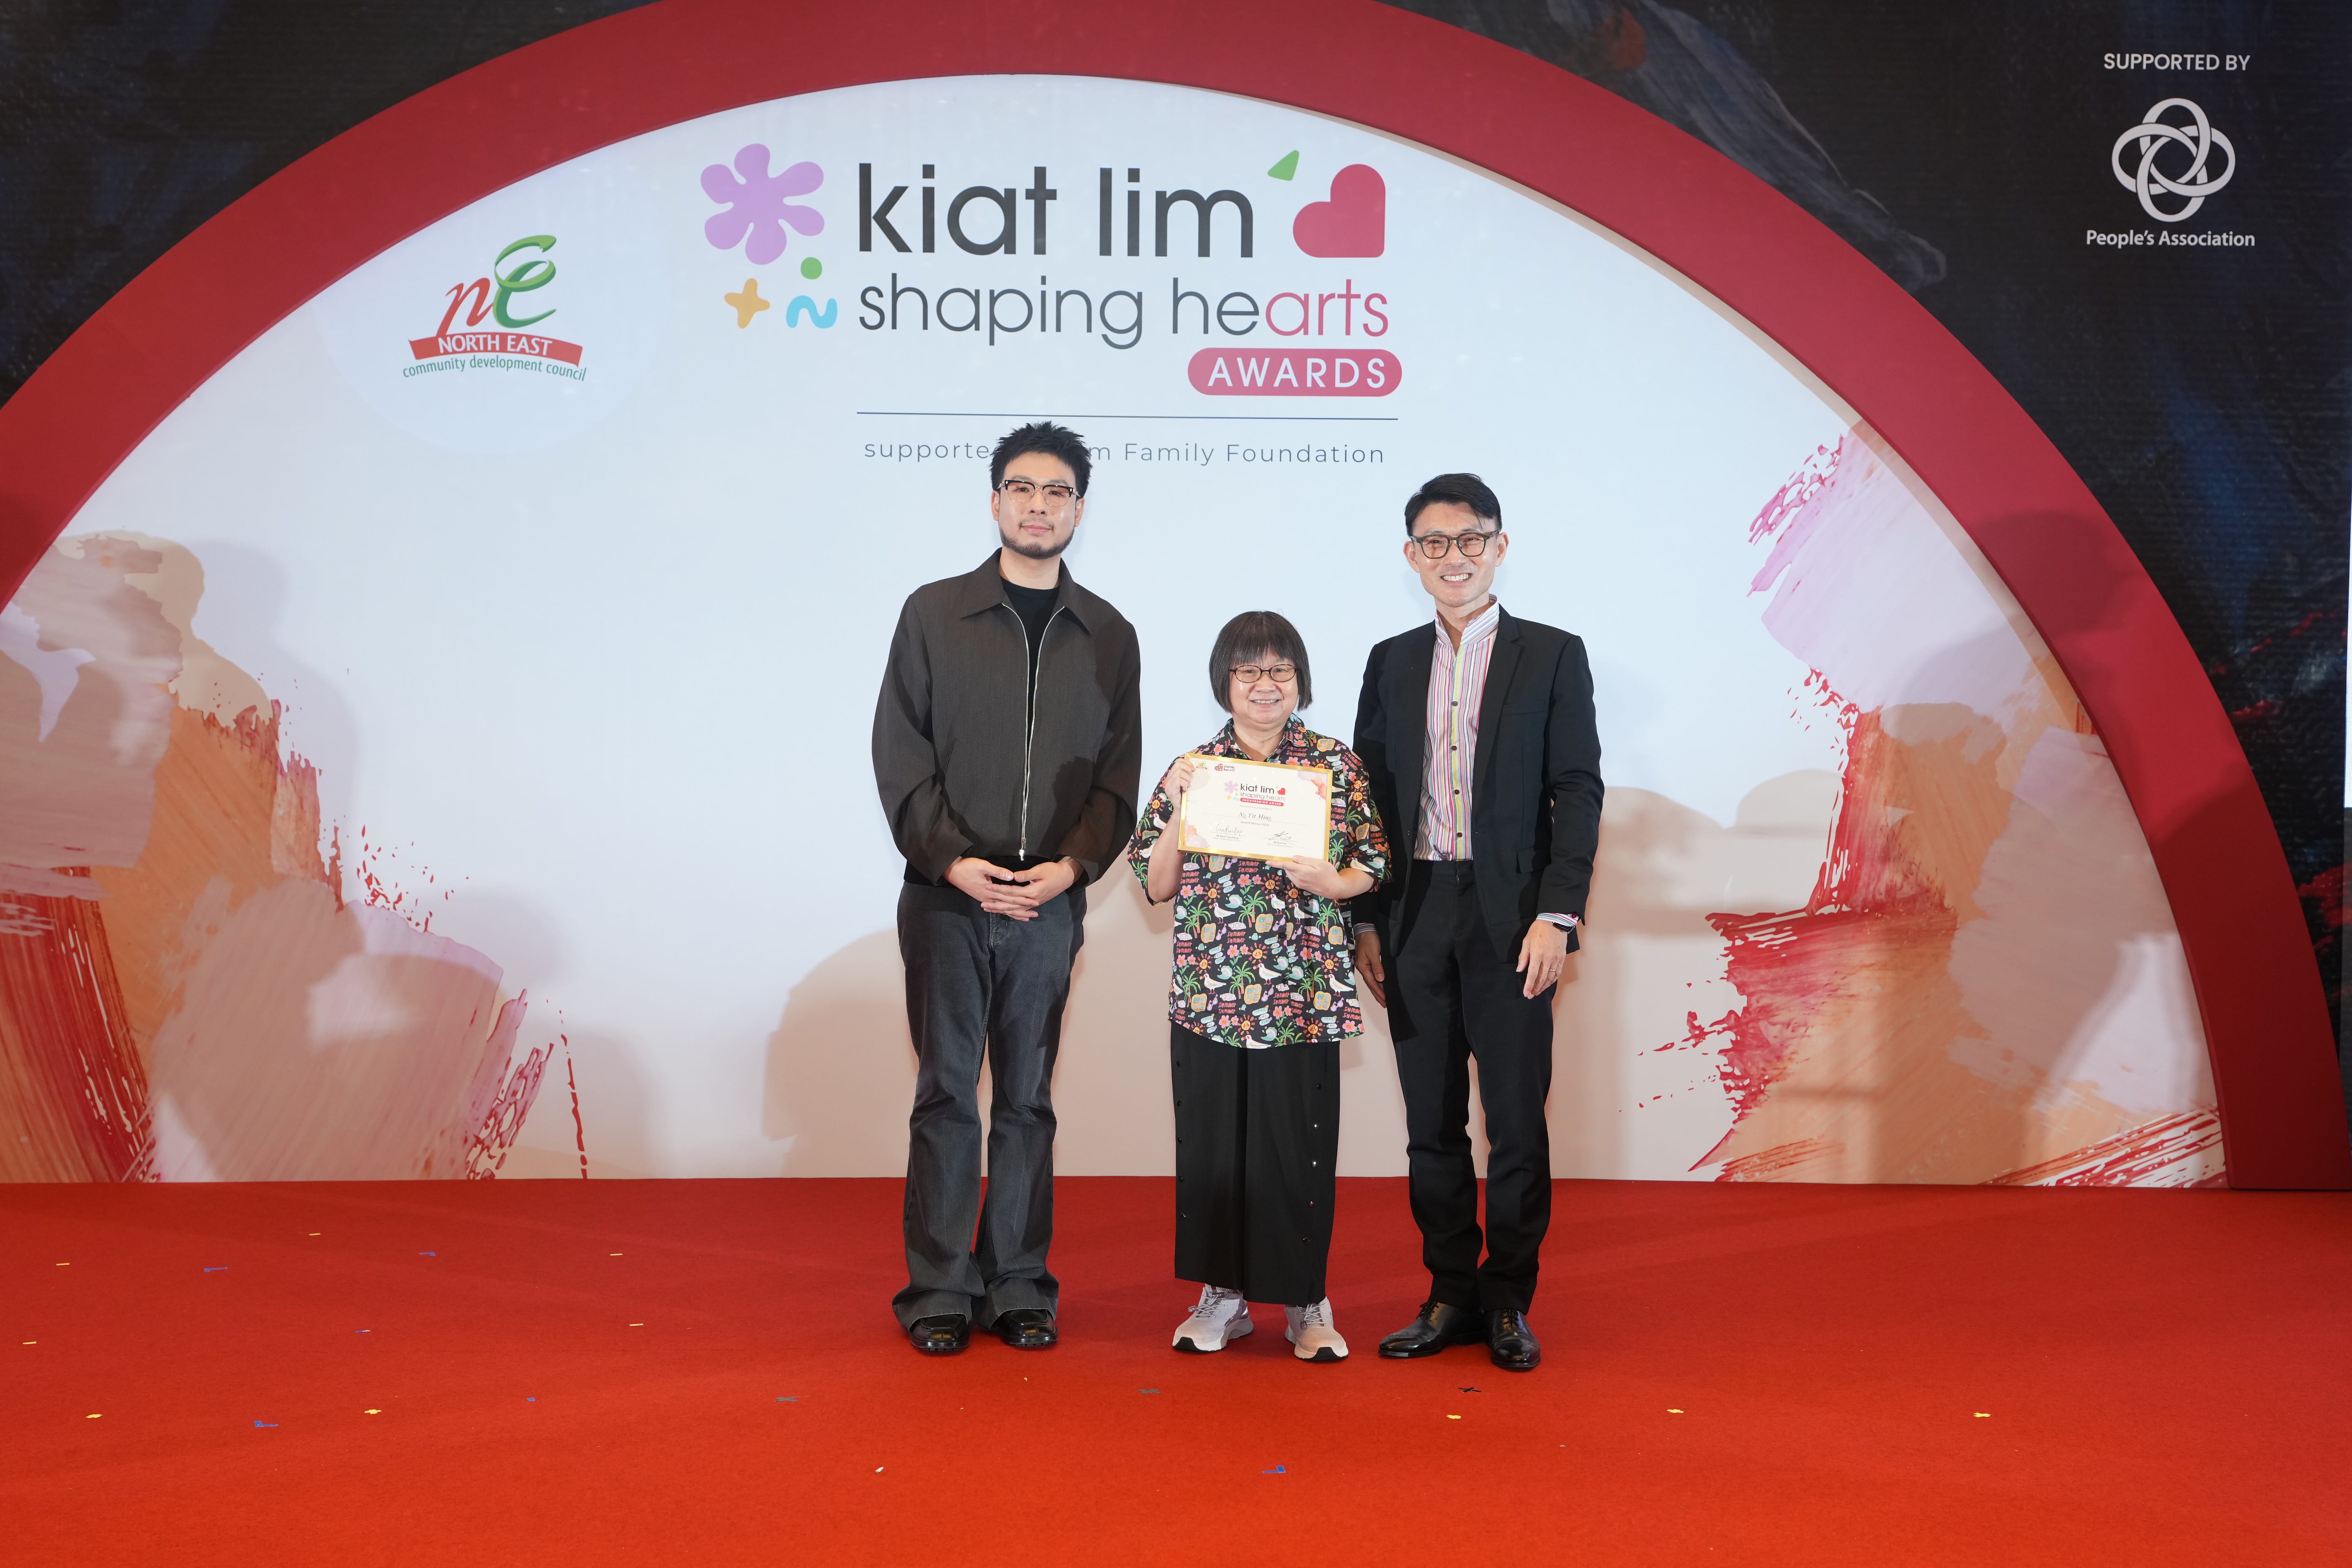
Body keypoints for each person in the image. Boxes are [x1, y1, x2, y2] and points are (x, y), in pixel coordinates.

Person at [871, 421, 1142, 1356]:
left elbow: (1117, 778)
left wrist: (1069, 871)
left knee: (1028, 1099)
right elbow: (900, 754)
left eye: (1057, 491)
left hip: (1047, 904)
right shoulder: (933, 614)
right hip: (947, 897)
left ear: (1079, 509)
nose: (1038, 505)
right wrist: (953, 861)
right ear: (995, 501)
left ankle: (1020, 1283)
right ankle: (941, 1288)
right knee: (948, 1093)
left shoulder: (1110, 634)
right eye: (1022, 488)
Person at [1349, 473, 1602, 1372]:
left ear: (1500, 546)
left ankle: (1508, 1302)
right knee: (1431, 1123)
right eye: (1434, 542)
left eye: (1469, 540)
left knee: (1516, 1124)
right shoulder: (1390, 661)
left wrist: (1556, 916)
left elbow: (1577, 791)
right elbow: (1368, 802)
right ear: (1411, 555)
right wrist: (1366, 923)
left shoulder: (1554, 655)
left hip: (1514, 921)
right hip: (1414, 913)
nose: (1452, 557)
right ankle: (1449, 1293)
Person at [1128, 611, 1390, 1363]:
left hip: (1301, 989)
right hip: (1211, 991)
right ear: (1225, 682)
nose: (1265, 685)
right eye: (1248, 671)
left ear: (1300, 680)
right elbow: (1156, 884)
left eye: (1280, 670)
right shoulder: (1195, 767)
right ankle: (1223, 1296)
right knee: (1214, 1148)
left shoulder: (1334, 765)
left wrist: (1334, 882)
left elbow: (1374, 861)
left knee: (1297, 1147)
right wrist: (1180, 804)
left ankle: (1307, 1301)